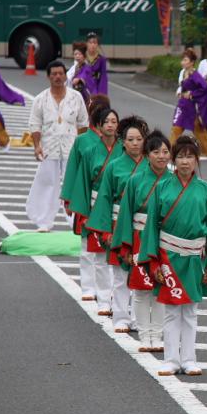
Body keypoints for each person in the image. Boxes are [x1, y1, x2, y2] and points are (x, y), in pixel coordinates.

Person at [139, 135, 207, 376]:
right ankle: (171, 359)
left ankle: (189, 358)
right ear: (173, 160)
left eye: (190, 157)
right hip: (168, 257)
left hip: (194, 257)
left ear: (197, 160)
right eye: (180, 156)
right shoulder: (163, 187)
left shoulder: (205, 190)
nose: (185, 162)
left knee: (190, 311)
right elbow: (152, 228)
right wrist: (153, 260)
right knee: (171, 311)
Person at [86, 116, 149, 332]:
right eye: (130, 139)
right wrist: (105, 232)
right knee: (121, 274)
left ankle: (139, 318)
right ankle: (121, 316)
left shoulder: (152, 166)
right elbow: (103, 199)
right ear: (123, 141)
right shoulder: (114, 167)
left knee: (141, 274)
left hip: (143, 228)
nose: (134, 143)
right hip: (118, 223)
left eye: (139, 139)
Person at [111, 130, 171, 352]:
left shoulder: (173, 181)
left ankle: (158, 334)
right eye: (156, 152)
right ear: (147, 155)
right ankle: (144, 336)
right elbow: (125, 214)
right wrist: (125, 245)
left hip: (163, 241)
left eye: (165, 152)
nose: (161, 156)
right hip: (139, 237)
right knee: (141, 289)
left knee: (160, 287)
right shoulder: (136, 181)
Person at [63, 107, 122, 315]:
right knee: (92, 250)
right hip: (95, 203)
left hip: (119, 207)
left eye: (114, 121)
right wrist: (74, 201)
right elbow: (78, 176)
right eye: (106, 121)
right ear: (98, 124)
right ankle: (92, 289)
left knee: (117, 254)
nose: (110, 125)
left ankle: (115, 295)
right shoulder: (87, 148)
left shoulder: (124, 149)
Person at [26, 60, 89, 233]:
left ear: (65, 75)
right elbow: (35, 124)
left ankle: (75, 223)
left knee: (73, 186)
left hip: (72, 148)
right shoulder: (41, 99)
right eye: (54, 74)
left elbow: (83, 122)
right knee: (47, 183)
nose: (58, 77)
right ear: (48, 76)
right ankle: (44, 222)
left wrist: (83, 147)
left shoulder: (76, 98)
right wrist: (37, 146)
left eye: (61, 73)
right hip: (49, 148)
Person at [60, 93, 111, 302]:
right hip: (87, 199)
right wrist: (69, 199)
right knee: (86, 246)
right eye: (95, 109)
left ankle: (106, 288)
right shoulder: (82, 140)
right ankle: (88, 287)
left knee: (108, 248)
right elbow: (72, 170)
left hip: (109, 202)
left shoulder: (118, 141)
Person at [171, 48, 207, 159]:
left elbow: (205, 88)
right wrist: (180, 92)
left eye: (185, 60)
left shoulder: (195, 75)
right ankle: (170, 152)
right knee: (176, 128)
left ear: (192, 62)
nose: (183, 62)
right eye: (182, 60)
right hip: (182, 105)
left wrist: (192, 93)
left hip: (192, 107)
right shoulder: (183, 73)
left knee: (198, 130)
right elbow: (181, 87)